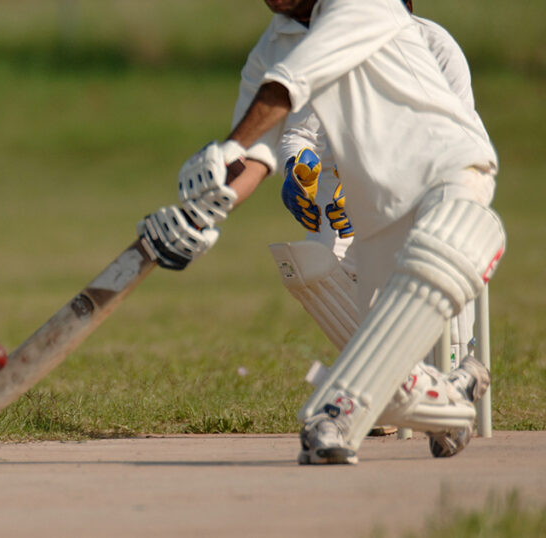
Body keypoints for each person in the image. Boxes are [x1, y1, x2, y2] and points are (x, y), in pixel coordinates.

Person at [138, 0, 503, 464]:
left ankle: (334, 414)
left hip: (446, 169)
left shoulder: (365, 4)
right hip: (376, 214)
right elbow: (254, 155)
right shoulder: (271, 49)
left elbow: (286, 90)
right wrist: (200, 213)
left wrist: (229, 145)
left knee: (439, 257)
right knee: (387, 371)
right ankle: (453, 396)